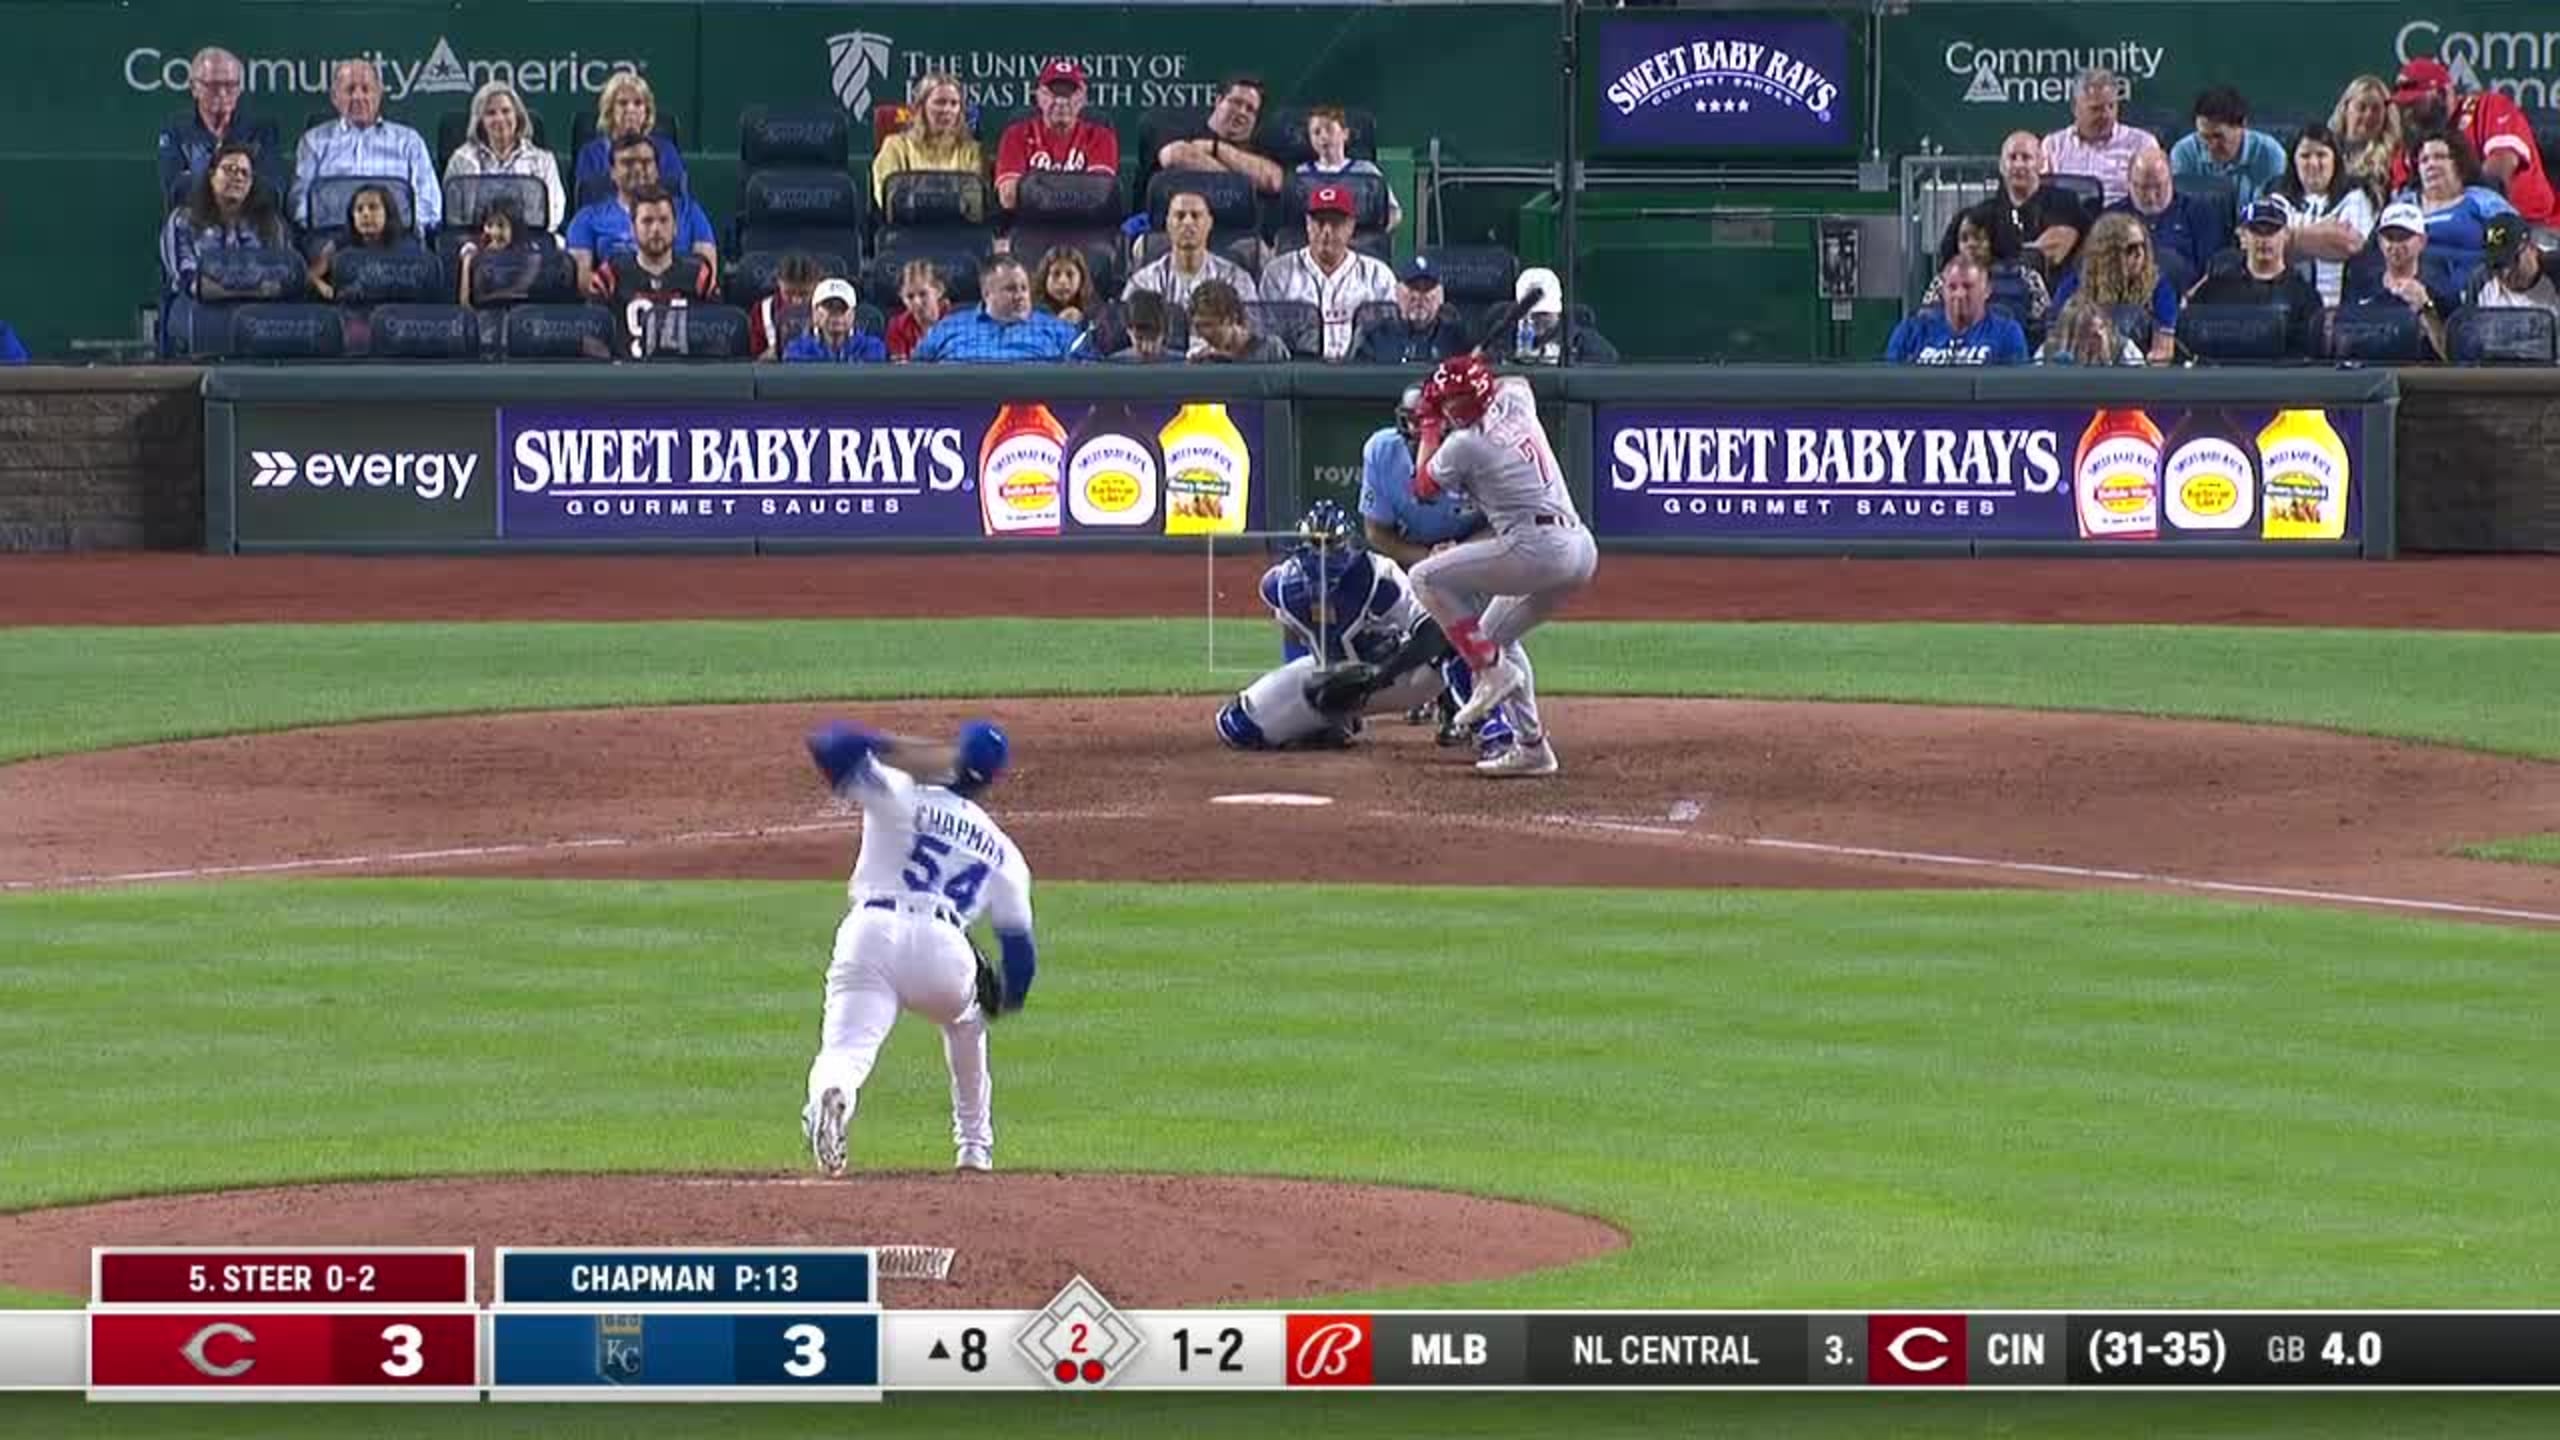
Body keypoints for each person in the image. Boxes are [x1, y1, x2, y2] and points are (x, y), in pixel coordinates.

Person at [800, 719, 1033, 1177]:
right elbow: (1021, 962)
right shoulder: (1004, 852)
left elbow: (830, 744)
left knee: (845, 1051)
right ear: (994, 779)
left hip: (870, 934)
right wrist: (1002, 997)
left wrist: (902, 750)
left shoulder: (900, 790)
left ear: (956, 755)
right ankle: (974, 1149)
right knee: (967, 1023)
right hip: (944, 950)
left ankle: (835, 1096)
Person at [1399, 355, 1592, 777]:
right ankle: (1533, 748)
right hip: (1578, 548)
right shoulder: (1516, 400)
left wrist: (1429, 422)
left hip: (1535, 549)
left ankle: (1490, 670)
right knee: (1494, 638)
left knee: (1424, 577)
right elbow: (1515, 379)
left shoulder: (1465, 444)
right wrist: (1467, 372)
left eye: (1451, 404)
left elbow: (1423, 487)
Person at [1213, 502, 1461, 752]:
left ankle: (1461, 716)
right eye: (1315, 542)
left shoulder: (1377, 576)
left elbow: (1434, 631)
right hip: (1334, 680)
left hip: (1395, 677)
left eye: (1330, 543)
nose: (1322, 552)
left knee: (1455, 636)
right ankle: (1332, 720)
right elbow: (1293, 633)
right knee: (1238, 726)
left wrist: (1379, 675)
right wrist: (1311, 684)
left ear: (1347, 544)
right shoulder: (1283, 584)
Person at [1357, 385, 1497, 745]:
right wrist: (1426, 558)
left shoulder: (1478, 453)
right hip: (1413, 551)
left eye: (1430, 423)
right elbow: (1376, 532)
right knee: (1402, 622)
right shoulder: (1382, 451)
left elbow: (1501, 525)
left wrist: (1458, 554)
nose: (1420, 432)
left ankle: (1468, 711)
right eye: (1413, 422)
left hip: (1475, 548)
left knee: (1476, 629)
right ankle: (1419, 693)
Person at [2391, 57, 2555, 225]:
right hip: (2449, 230)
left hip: (2532, 223)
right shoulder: (2411, 145)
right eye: (2403, 106)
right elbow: (2403, 200)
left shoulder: (2488, 107)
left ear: (2442, 94)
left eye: (2414, 104)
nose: (2407, 113)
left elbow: (2499, 171)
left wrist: (2458, 205)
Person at [291, 60, 440, 232]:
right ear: (334, 97)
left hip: (395, 236)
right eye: (349, 90)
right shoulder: (313, 142)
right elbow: (299, 202)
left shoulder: (409, 142)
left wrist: (404, 231)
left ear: (379, 93)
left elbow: (429, 204)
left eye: (366, 89)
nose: (358, 96)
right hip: (334, 236)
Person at [567, 132, 719, 294]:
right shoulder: (587, 218)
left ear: (657, 170)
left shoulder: (690, 212)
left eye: (646, 162)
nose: (638, 169)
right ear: (612, 172)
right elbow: (582, 278)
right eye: (628, 163)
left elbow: (708, 271)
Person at [1256, 184, 1397, 359]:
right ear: (1308, 224)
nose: (1327, 231)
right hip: (1297, 369)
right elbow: (1268, 338)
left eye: (1336, 223)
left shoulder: (1378, 275)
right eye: (1320, 222)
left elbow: (1391, 335)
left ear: (1351, 226)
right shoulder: (1279, 273)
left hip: (1361, 368)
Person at [2185, 199, 2324, 359]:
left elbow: (2308, 353)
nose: (2264, 240)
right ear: (2242, 236)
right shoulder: (2214, 289)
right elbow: (2193, 339)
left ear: (2285, 235)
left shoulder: (2305, 295)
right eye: (2256, 231)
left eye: (2272, 231)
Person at [2262, 124, 2378, 310]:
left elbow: (2349, 244)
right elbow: (2266, 245)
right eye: (2305, 156)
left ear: (2335, 160)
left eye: (2321, 155)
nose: (2314, 164)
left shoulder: (2355, 195)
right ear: (2293, 161)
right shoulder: (2277, 195)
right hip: (2285, 308)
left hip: (2341, 310)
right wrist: (2325, 234)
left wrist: (2289, 237)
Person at [160, 140, 290, 299]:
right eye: (229, 170)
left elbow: (280, 277)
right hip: (198, 307)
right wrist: (246, 293)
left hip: (258, 310)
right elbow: (189, 281)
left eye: (245, 173)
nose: (238, 177)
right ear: (211, 175)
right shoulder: (183, 221)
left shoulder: (271, 224)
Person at [597, 186, 716, 359]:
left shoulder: (699, 275)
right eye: (647, 221)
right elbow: (593, 333)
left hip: (684, 372)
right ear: (632, 228)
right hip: (625, 371)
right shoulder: (610, 274)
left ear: (675, 227)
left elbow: (718, 334)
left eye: (663, 220)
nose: (656, 229)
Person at [156, 46, 284, 206]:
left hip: (250, 218)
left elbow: (271, 189)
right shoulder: (176, 129)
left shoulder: (262, 129)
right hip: (193, 217)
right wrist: (236, 180)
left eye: (230, 85)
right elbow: (175, 190)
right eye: (213, 85)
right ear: (194, 88)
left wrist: (206, 179)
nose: (222, 93)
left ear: (239, 88)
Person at [2050, 212, 2179, 362]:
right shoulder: (2073, 286)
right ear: (2107, 254)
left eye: (2143, 246)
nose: (2139, 254)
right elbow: (2057, 344)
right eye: (2130, 249)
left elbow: (2163, 351)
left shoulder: (2159, 287)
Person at [993, 61, 1119, 211]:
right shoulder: (1016, 133)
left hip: (1084, 223)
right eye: (1054, 93)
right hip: (1030, 222)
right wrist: (1077, 189)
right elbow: (1008, 198)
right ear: (1039, 96)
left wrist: (1035, 188)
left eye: (1069, 94)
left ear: (1082, 99)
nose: (1061, 102)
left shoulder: (1100, 134)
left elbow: (1100, 198)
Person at [445, 80, 567, 234]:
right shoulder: (461, 160)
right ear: (480, 121)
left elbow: (555, 211)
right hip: (476, 239)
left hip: (530, 240)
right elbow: (453, 214)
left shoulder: (543, 161)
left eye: (506, 111)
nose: (500, 119)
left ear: (517, 115)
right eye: (490, 113)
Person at [1964, 130, 2090, 274]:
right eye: (2012, 158)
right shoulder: (1983, 214)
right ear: (2001, 166)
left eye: (2026, 158)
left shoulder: (2065, 203)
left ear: (2041, 163)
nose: (2019, 165)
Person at [913, 254, 1080, 362]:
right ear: (987, 293)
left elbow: (1087, 372)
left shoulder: (1057, 329)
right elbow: (914, 371)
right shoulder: (948, 327)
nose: (1020, 296)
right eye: (1011, 289)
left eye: (1024, 288)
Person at [2400, 130, 2518, 283]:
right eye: (2424, 160)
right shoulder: (2404, 206)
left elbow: (2511, 243)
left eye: (2439, 157)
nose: (2431, 165)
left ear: (2459, 164)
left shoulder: (2484, 201)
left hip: (2473, 286)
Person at [2101, 149, 2223, 292]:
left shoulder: (2198, 212)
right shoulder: (2111, 218)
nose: (2151, 197)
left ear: (2171, 181)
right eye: (2143, 188)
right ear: (2129, 184)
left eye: (2159, 186)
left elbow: (2209, 272)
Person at [2341, 201, 2452, 358]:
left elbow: (2449, 355)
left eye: (2403, 237)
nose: (2395, 245)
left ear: (2422, 241)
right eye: (2389, 237)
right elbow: (2344, 341)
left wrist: (2425, 306)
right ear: (2380, 241)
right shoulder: (2363, 283)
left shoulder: (2440, 286)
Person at [1922, 202, 2052, 332]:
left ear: (1996, 239)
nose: (1970, 245)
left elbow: (2045, 323)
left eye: (1978, 238)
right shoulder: (1943, 280)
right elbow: (1926, 323)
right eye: (1964, 239)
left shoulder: (2026, 277)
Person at [2040, 68, 2160, 206]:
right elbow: (2043, 198)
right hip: (2070, 216)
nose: (2106, 115)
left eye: (2111, 106)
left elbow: (2153, 200)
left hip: (2124, 215)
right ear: (2075, 108)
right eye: (2096, 109)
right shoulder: (2053, 145)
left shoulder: (2142, 144)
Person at [1123, 188, 1259, 309]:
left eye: (1195, 215)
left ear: (1209, 223)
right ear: (1168, 223)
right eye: (1180, 216)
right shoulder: (1143, 283)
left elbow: (1253, 326)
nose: (1188, 222)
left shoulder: (1235, 280)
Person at [1153, 75, 1287, 197]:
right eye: (1236, 102)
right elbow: (1173, 155)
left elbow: (1273, 181)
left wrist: (1215, 148)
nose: (1242, 112)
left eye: (1250, 109)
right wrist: (1245, 185)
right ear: (1218, 101)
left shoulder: (1259, 150)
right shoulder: (1185, 131)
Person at [2167, 86, 2288, 219]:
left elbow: (2276, 212)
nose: (2211, 146)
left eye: (2218, 136)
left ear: (2242, 125)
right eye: (2204, 137)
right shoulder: (2184, 153)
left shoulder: (2270, 154)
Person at [1885, 257, 2029, 364]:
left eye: (1968, 286)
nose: (1959, 294)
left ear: (1987, 291)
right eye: (1952, 287)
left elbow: (2014, 387)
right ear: (1942, 291)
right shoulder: (1910, 331)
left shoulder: (2007, 332)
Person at [872, 71, 983, 207]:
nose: (947, 110)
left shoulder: (972, 150)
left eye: (954, 104)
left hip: (958, 219)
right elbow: (888, 197)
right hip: (908, 219)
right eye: (940, 102)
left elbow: (976, 202)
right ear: (921, 107)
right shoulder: (895, 146)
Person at [574, 72, 686, 199]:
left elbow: (678, 195)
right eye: (623, 103)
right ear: (610, 110)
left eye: (638, 103)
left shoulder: (666, 150)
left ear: (647, 111)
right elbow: (587, 196)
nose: (630, 109)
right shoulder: (591, 153)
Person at [1299, 103, 1400, 232]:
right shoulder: (1301, 174)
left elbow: (1393, 211)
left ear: (1345, 134)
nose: (1323, 137)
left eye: (1329, 130)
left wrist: (1378, 236)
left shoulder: (1368, 172)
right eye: (1316, 132)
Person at [305, 184, 412, 301]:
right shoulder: (339, 244)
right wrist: (322, 286)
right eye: (359, 209)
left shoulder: (405, 246)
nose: (365, 214)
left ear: (388, 213)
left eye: (373, 207)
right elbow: (310, 275)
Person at [1352, 256, 1468, 363]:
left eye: (1427, 289)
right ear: (1397, 292)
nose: (1418, 296)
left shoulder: (1454, 339)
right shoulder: (1375, 337)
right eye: (1412, 287)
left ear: (1441, 296)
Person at [1499, 265, 1619, 365]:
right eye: (1528, 314)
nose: (1534, 320)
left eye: (1543, 314)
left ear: (1557, 311)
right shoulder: (1501, 337)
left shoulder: (1584, 342)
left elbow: (1608, 361)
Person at [2462, 215, 2560, 317]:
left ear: (2531, 248)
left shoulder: (2556, 273)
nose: (2505, 273)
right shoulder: (2480, 282)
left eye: (2512, 262)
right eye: (2497, 265)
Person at [2330, 74, 2405, 199]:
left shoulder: (2395, 158)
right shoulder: (2326, 148)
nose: (2368, 115)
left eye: (2376, 109)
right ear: (2346, 108)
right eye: (2361, 107)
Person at [783, 277, 890, 362]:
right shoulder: (796, 350)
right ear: (815, 313)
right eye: (829, 307)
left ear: (852, 314)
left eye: (842, 308)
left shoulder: (873, 347)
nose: (836, 315)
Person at [1187, 279, 1289, 363]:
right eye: (1197, 326)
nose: (1202, 334)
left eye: (1208, 325)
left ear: (1232, 319)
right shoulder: (1205, 360)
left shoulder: (1271, 349)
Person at [748, 252, 826, 361]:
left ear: (817, 285)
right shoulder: (761, 311)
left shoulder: (830, 311)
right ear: (779, 283)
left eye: (804, 294)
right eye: (788, 293)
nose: (796, 301)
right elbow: (754, 360)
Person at [455, 197, 531, 305]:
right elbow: (468, 302)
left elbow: (520, 290)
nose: (494, 232)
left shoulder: (530, 254)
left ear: (514, 228)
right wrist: (467, 261)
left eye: (501, 225)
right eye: (489, 225)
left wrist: (492, 297)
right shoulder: (478, 254)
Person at [2035, 294, 2145, 366]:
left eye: (2102, 327)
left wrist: (2107, 361)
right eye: (2090, 334)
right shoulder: (2048, 351)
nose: (2100, 336)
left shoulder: (2124, 348)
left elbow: (2141, 385)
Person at [885, 259, 949, 362]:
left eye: (923, 294)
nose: (917, 302)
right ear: (902, 297)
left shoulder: (957, 320)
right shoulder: (896, 327)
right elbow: (900, 367)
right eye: (910, 296)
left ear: (939, 291)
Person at [1033, 245, 1097, 327]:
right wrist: (1057, 323)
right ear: (1045, 278)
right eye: (1056, 274)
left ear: (1081, 278)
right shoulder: (1032, 313)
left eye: (1070, 274)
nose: (1062, 281)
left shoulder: (1094, 313)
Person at [1106, 290, 1175, 362]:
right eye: (1139, 338)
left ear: (1164, 334)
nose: (1146, 348)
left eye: (1153, 339)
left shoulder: (1178, 363)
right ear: (1128, 332)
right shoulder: (1114, 363)